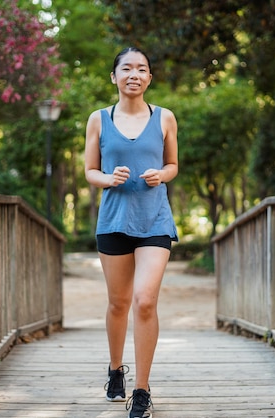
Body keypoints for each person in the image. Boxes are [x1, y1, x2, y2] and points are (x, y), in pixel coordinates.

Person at [84, 46, 179, 418]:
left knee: (144, 300)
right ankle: (114, 370)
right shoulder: (98, 119)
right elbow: (90, 170)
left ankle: (141, 390)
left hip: (154, 219)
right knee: (119, 302)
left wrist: (162, 174)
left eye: (142, 69)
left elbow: (173, 163)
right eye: (127, 68)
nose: (134, 74)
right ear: (115, 76)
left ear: (149, 78)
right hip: (113, 221)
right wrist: (108, 179)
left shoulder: (165, 117)